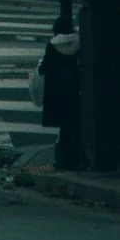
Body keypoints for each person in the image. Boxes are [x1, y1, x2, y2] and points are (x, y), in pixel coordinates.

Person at [36, 27, 81, 169]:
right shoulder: (79, 43)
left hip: (57, 91)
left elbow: (44, 68)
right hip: (74, 89)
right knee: (73, 122)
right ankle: (74, 156)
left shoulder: (53, 45)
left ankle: (63, 158)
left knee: (63, 124)